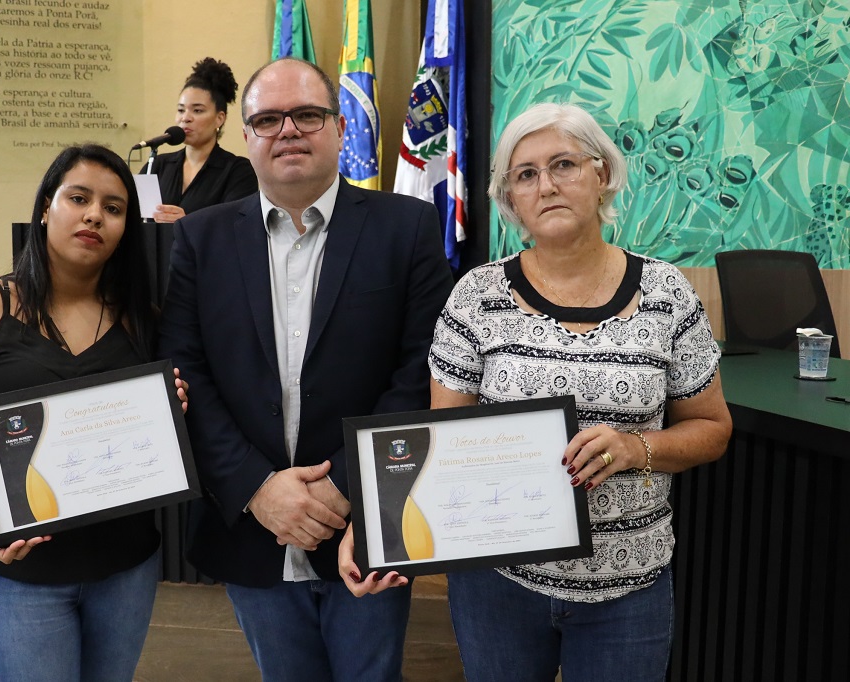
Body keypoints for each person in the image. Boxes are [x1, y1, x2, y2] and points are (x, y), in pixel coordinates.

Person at [339, 102, 733, 681]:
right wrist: (379, 529)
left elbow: (713, 429)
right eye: (526, 174)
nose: (546, 185)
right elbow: (439, 442)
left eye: (564, 164)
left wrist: (635, 448)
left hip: (629, 588)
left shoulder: (668, 293)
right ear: (511, 201)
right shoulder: (476, 296)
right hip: (498, 585)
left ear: (602, 175)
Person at [158, 57, 454, 681]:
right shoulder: (201, 240)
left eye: (307, 115)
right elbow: (185, 377)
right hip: (251, 525)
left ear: (341, 129)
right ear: (247, 137)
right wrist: (257, 488)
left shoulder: (406, 228)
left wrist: (345, 484)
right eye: (267, 119)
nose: (287, 129)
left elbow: (419, 371)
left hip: (368, 519)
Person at [0, 144, 189, 682]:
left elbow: (157, 440)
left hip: (127, 567)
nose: (94, 215)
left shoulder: (144, 321)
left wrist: (174, 409)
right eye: (78, 198)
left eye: (114, 207)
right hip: (20, 571)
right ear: (45, 209)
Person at [144, 57, 258, 224]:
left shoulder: (237, 171)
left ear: (219, 119)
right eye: (181, 110)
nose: (185, 118)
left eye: (197, 110)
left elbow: (237, 228)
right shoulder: (158, 165)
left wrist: (188, 223)